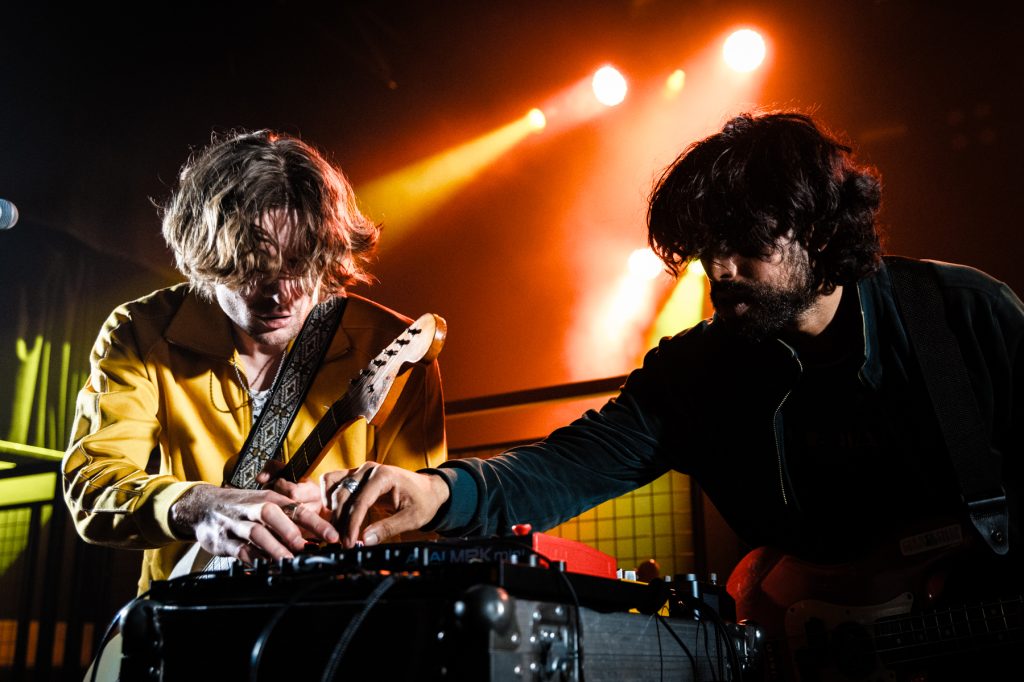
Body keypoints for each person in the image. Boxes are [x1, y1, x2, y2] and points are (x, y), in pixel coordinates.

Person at [313, 111, 1021, 678]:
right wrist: (439, 493)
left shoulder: (959, 314)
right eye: (706, 247)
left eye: (745, 243)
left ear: (821, 227)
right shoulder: (701, 371)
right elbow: (572, 463)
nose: (718, 268)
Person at [62, 130, 447, 594]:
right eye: (253, 267)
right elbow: (93, 484)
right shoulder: (141, 331)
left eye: (299, 265)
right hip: (184, 621)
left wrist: (341, 515)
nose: (280, 294)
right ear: (204, 258)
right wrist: (195, 505)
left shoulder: (393, 346)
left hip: (335, 614)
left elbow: (422, 516)